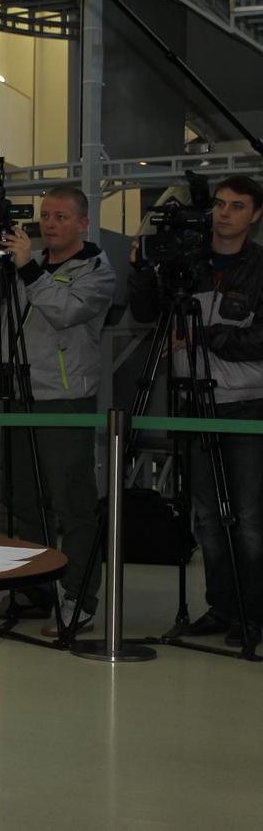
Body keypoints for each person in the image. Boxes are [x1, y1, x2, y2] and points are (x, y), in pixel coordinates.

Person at [0, 185, 114, 636]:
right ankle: (34, 588)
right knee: (23, 501)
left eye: (61, 217)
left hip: (64, 398)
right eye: (46, 216)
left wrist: (28, 267)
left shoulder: (96, 271)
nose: (50, 224)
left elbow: (65, 312)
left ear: (83, 223)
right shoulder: (20, 262)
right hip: (18, 394)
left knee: (72, 503)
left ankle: (78, 597)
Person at [130, 174, 263, 647]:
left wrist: (200, 337)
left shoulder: (260, 266)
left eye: (237, 206)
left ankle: (253, 612)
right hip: (191, 402)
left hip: (247, 404)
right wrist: (144, 268)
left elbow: (260, 340)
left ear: (255, 215)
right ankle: (221, 606)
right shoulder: (188, 259)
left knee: (247, 517)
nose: (224, 213)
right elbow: (145, 312)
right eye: (220, 204)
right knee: (206, 514)